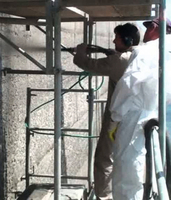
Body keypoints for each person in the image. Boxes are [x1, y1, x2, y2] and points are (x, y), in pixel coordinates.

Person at [73, 23, 141, 200]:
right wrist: (112, 54)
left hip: (116, 121)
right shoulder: (135, 56)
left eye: (116, 38)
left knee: (104, 158)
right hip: (132, 116)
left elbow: (83, 62)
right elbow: (120, 62)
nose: (112, 40)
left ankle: (104, 197)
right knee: (120, 156)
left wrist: (80, 50)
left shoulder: (118, 61)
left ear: (126, 40)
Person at [109, 18, 171, 200]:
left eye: (148, 26)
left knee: (126, 168)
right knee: (147, 162)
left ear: (154, 28)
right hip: (154, 111)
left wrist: (115, 117)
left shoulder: (147, 51)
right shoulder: (167, 50)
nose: (144, 31)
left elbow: (128, 84)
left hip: (134, 113)